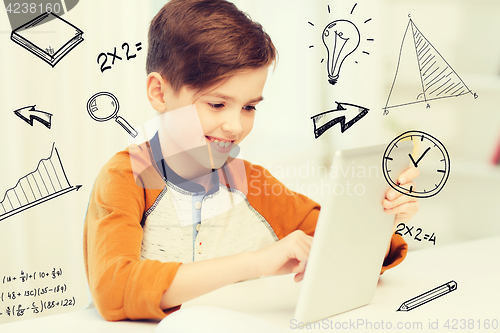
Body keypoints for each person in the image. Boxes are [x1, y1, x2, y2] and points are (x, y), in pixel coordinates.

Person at [83, 0, 419, 321]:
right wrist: (256, 263)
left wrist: (383, 214)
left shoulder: (253, 184)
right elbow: (114, 289)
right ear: (159, 92)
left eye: (249, 107)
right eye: (216, 104)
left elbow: (341, 248)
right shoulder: (126, 177)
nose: (235, 125)